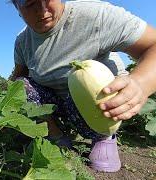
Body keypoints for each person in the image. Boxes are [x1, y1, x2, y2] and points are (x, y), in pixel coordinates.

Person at [9, 0, 156, 172]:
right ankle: (56, 134)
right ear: (17, 7)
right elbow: (18, 76)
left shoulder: (95, 16)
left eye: (48, 0)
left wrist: (141, 82)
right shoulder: (22, 41)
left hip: (100, 103)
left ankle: (104, 136)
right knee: (20, 86)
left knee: (84, 79)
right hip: (59, 105)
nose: (42, 11)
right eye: (30, 3)